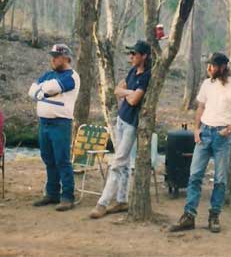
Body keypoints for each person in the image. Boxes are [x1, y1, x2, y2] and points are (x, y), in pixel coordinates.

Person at [169, 52, 231, 233]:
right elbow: (201, 107)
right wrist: (196, 129)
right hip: (204, 132)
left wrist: (228, 129)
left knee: (220, 179)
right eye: (208, 65)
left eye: (212, 65)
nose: (209, 68)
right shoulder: (207, 84)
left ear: (222, 67)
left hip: (222, 135)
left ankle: (214, 216)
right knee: (194, 176)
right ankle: (189, 216)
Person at [89, 40, 152, 219]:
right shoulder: (133, 71)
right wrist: (129, 92)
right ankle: (121, 200)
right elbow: (117, 90)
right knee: (122, 163)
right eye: (130, 54)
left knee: (117, 162)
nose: (131, 57)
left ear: (144, 56)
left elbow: (133, 100)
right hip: (121, 120)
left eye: (134, 54)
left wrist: (128, 93)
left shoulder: (146, 76)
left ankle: (102, 203)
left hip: (132, 123)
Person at [28, 43, 80, 212]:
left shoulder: (71, 76)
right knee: (48, 158)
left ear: (66, 57)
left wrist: (42, 91)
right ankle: (52, 193)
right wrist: (43, 92)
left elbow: (52, 88)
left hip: (60, 123)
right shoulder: (49, 74)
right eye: (52, 56)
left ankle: (67, 196)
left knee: (62, 160)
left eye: (56, 56)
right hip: (44, 122)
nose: (53, 59)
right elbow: (32, 90)